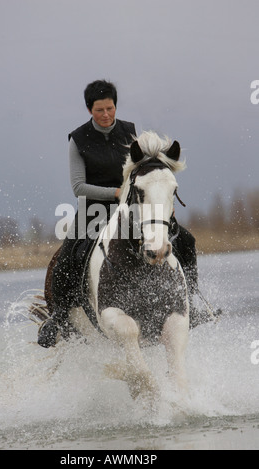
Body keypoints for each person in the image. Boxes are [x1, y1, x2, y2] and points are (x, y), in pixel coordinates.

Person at [37, 80, 213, 348]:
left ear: (115, 106)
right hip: (95, 209)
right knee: (69, 253)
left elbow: (150, 170)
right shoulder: (78, 140)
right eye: (99, 110)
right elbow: (77, 186)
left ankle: (193, 301)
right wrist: (115, 194)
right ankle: (59, 315)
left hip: (135, 206)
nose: (106, 115)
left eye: (110, 108)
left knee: (186, 240)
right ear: (89, 110)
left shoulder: (130, 132)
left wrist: (161, 196)